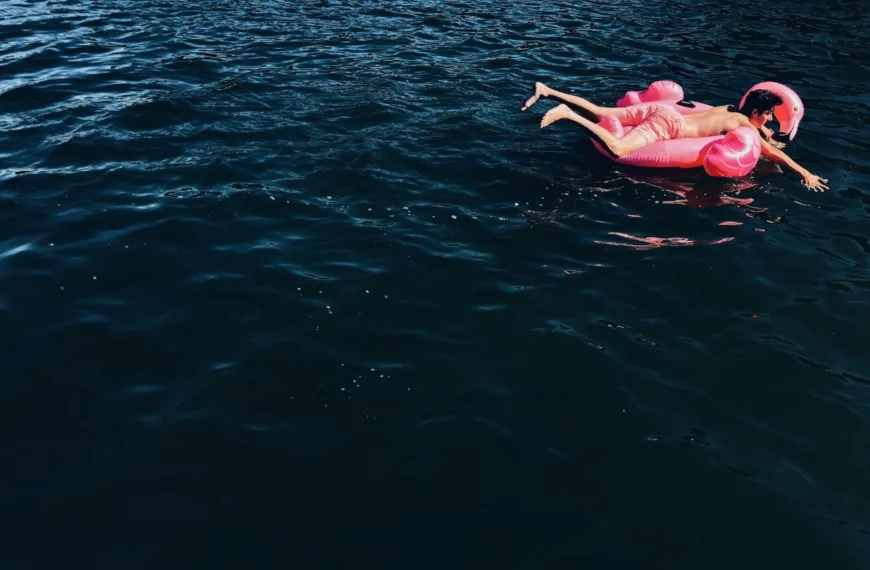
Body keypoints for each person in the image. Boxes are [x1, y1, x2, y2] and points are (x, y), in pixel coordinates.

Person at [522, 82, 829, 191]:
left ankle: (547, 90)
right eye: (771, 114)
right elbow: (773, 154)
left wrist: (770, 131)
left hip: (661, 113)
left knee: (601, 111)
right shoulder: (745, 128)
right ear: (760, 113)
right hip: (669, 128)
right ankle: (568, 115)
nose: (772, 119)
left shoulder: (731, 108)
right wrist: (805, 172)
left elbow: (763, 131)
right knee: (617, 149)